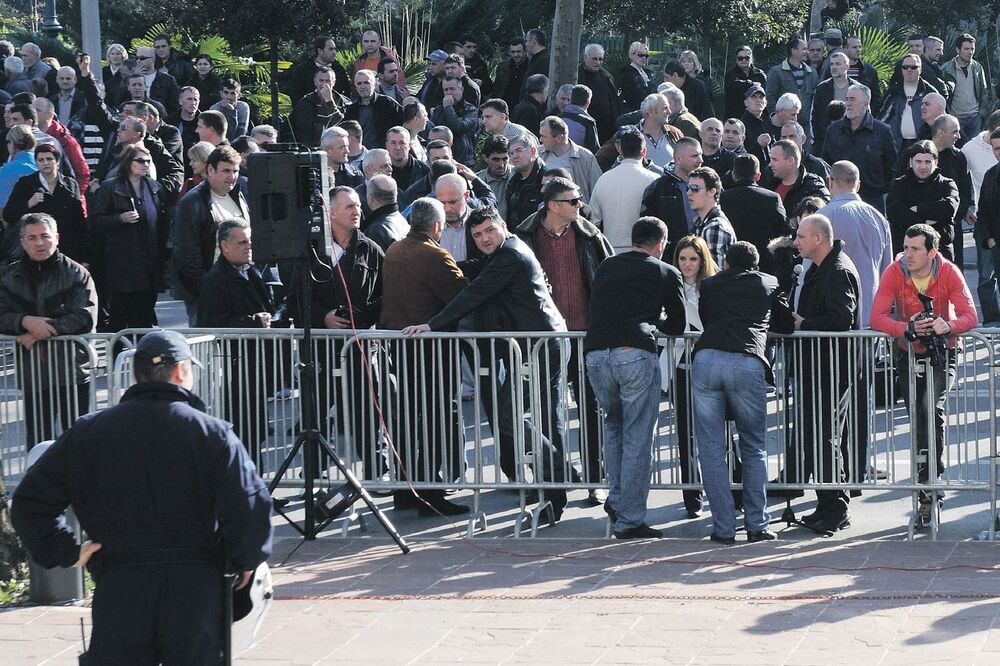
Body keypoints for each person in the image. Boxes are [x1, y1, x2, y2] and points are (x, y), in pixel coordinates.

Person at [11, 328, 273, 664]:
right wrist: (245, 559)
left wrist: (67, 550)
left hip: (121, 583)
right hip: (193, 586)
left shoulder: (90, 432)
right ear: (181, 371)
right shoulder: (212, 433)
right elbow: (249, 504)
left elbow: (30, 502)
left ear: (137, 375)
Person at [403, 206, 570, 520]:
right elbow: (479, 268)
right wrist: (442, 263)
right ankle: (555, 495)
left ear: (502, 226)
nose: (484, 238)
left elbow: (475, 293)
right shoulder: (507, 251)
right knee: (547, 419)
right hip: (543, 343)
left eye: (489, 231)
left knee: (507, 416)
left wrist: (432, 324)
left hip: (539, 348)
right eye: (477, 235)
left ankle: (561, 472)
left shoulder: (510, 256)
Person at [584, 216, 686, 538]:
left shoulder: (608, 266)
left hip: (597, 355)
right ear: (661, 243)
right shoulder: (665, 271)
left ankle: (617, 502)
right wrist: (656, 321)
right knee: (638, 437)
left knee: (614, 428)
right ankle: (630, 518)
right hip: (635, 353)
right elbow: (677, 325)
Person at [870, 224, 977, 527]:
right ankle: (925, 488)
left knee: (933, 408)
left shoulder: (949, 271)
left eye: (915, 249)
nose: (908, 254)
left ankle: (932, 479)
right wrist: (906, 328)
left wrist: (948, 326)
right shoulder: (895, 270)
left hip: (944, 351)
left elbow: (971, 314)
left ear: (932, 252)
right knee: (917, 415)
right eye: (905, 247)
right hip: (908, 351)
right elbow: (876, 317)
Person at [515, 177, 613, 498]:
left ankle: (595, 479)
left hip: (587, 335)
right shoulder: (525, 236)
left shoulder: (589, 235)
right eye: (573, 201)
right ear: (553, 205)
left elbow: (607, 277)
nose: (580, 205)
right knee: (547, 413)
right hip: (547, 341)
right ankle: (555, 481)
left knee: (591, 410)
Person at [692, 241, 794, 544]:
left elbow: (707, 318)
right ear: (756, 264)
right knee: (753, 446)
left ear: (725, 262)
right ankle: (757, 524)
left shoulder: (710, 285)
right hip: (747, 360)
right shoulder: (769, 283)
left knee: (710, 449)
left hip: (707, 357)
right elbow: (786, 325)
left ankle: (723, 528)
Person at [380, 197, 469, 515]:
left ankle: (405, 490)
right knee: (434, 419)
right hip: (431, 352)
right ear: (435, 225)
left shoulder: (394, 250)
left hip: (402, 348)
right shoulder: (435, 254)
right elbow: (460, 295)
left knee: (407, 420)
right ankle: (431, 491)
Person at [788, 214, 860, 533]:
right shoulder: (821, 268)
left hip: (830, 367)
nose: (796, 241)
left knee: (826, 438)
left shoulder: (837, 271)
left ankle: (835, 508)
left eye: (802, 236)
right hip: (818, 366)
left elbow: (841, 319)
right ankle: (826, 504)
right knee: (820, 438)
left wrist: (803, 325)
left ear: (819, 239)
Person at [0, 212, 96, 448]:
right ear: (22, 242)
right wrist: (24, 321)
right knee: (38, 443)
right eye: (31, 238)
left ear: (57, 237)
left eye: (45, 236)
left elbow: (84, 316)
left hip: (72, 373)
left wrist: (39, 329)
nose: (39, 243)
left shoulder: (77, 274)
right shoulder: (9, 277)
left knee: (75, 443)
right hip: (33, 374)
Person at [197, 219, 275, 465]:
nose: (248, 247)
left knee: (256, 432)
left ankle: (257, 489)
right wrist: (253, 321)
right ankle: (247, 492)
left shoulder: (251, 271)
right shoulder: (216, 280)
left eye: (250, 241)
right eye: (242, 242)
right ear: (224, 246)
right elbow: (210, 324)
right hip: (234, 365)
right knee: (243, 432)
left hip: (256, 363)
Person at [90, 143, 166, 330]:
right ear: (128, 162)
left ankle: (142, 357)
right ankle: (117, 357)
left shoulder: (154, 187)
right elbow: (96, 221)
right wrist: (119, 218)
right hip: (122, 263)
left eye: (148, 161)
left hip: (149, 263)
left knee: (145, 316)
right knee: (120, 316)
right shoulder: (110, 186)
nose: (145, 164)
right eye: (140, 160)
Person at [173, 145, 249, 325]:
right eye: (226, 171)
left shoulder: (238, 195)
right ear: (210, 170)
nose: (232, 177)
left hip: (238, 284)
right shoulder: (192, 202)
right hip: (207, 288)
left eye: (235, 171)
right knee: (206, 343)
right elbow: (187, 252)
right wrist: (204, 288)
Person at [669, 235, 717, 518]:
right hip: (679, 362)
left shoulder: (713, 286)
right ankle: (692, 495)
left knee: (718, 429)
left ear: (702, 260)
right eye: (683, 258)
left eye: (693, 259)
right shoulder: (669, 284)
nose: (687, 264)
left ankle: (727, 490)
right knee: (685, 431)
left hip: (710, 361)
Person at [2, 143, 87, 264]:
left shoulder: (70, 184)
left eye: (49, 159)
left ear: (57, 162)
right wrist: (28, 204)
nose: (45, 163)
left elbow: (79, 222)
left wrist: (84, 257)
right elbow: (8, 215)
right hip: (35, 251)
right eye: (41, 160)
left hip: (66, 250)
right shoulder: (26, 184)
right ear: (36, 163)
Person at [822, 83, 896, 213]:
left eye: (853, 99)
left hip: (872, 199)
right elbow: (826, 164)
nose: (848, 103)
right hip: (839, 199)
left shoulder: (882, 131)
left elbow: (891, 166)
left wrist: (880, 189)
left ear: (865, 104)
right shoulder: (833, 130)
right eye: (847, 99)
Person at [590, 127, 659, 252]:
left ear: (620, 150)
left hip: (611, 251)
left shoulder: (603, 180)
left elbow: (593, 220)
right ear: (644, 152)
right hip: (647, 251)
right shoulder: (655, 180)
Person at [886, 140, 959, 256]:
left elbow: (949, 207)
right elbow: (894, 213)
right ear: (910, 162)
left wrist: (917, 209)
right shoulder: (900, 184)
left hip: (940, 251)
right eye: (918, 161)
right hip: (906, 252)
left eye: (928, 162)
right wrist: (926, 222)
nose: (923, 166)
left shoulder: (947, 184)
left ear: (936, 162)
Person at [718, 153, 788, 274]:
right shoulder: (772, 198)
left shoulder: (723, 198)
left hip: (732, 263)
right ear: (758, 176)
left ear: (734, 175)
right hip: (764, 265)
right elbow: (782, 229)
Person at [640, 136, 704, 261]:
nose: (700, 160)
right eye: (694, 156)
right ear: (678, 159)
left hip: (702, 254)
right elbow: (648, 227)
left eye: (701, 155)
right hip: (671, 257)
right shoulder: (658, 188)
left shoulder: (708, 184)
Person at [537, 116, 602, 202]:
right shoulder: (537, 154)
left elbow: (597, 190)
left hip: (574, 210)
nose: (540, 140)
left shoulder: (585, 157)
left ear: (559, 138)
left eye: (544, 136)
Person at [765, 37, 818, 141]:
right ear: (793, 51)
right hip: (783, 128)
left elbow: (816, 98)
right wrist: (775, 118)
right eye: (804, 49)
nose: (807, 52)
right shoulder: (776, 72)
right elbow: (770, 97)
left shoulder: (812, 73)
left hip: (805, 127)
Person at [940, 34, 989, 141]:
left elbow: (984, 92)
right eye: (966, 49)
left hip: (975, 118)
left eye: (972, 49)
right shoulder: (946, 69)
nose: (970, 52)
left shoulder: (977, 68)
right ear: (958, 50)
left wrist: (981, 114)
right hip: (955, 119)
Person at [687, 166, 736, 268]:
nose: (688, 193)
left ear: (712, 192)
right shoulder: (701, 223)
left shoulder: (715, 227)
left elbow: (715, 275)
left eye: (695, 189)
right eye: (688, 188)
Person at [577, 44, 618, 143]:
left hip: (607, 128)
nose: (598, 62)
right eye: (594, 59)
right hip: (585, 125)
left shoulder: (606, 75)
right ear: (585, 57)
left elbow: (614, 100)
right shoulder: (577, 75)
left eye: (600, 59)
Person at [723, 46, 766, 120]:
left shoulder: (760, 74)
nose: (743, 60)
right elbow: (733, 85)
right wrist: (751, 84)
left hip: (757, 117)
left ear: (752, 59)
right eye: (740, 58)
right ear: (736, 60)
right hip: (735, 116)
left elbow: (766, 91)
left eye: (747, 58)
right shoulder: (730, 74)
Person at [0, 124, 37, 208]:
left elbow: (3, 205)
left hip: (15, 218)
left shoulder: (6, 170)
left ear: (12, 143)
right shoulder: (44, 163)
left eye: (8, 142)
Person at [619, 42, 655, 114]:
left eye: (646, 55)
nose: (644, 58)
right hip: (634, 111)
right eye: (640, 55)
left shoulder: (648, 73)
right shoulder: (627, 73)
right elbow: (635, 95)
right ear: (632, 55)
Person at [493, 38, 529, 110]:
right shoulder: (503, 67)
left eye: (518, 52)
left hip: (523, 107)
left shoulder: (531, 67)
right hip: (504, 106)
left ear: (525, 52)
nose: (515, 55)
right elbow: (496, 88)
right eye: (513, 52)